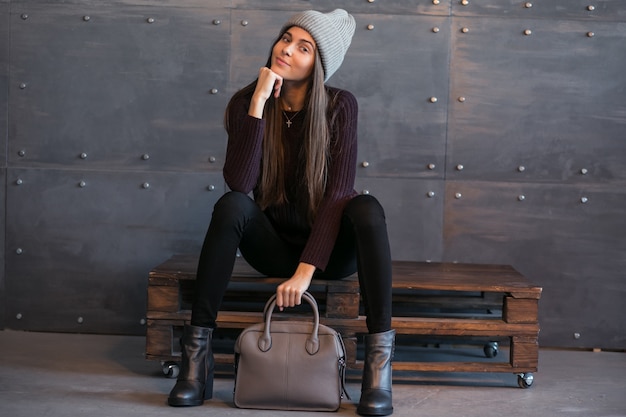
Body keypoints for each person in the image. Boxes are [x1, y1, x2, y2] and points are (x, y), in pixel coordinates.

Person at [167, 9, 395, 416]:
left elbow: (339, 191)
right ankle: (195, 363)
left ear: (318, 64)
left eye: (303, 48)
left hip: (328, 255)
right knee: (231, 205)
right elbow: (240, 183)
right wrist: (257, 103)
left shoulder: (341, 106)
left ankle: (379, 372)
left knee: (366, 207)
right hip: (272, 247)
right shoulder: (245, 102)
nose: (286, 50)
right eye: (285, 38)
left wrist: (306, 271)